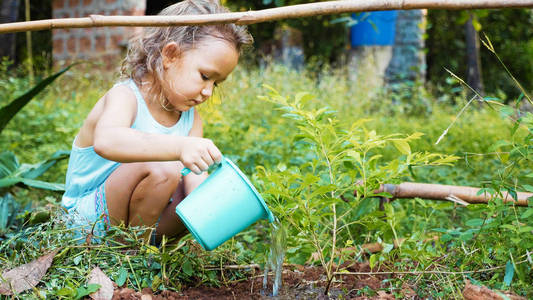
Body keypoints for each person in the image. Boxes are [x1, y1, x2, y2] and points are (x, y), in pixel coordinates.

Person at [61, 0, 253, 245]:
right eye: (205, 76)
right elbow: (106, 141)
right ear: (170, 55)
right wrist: (179, 148)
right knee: (163, 168)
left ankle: (138, 253)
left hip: (139, 226)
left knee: (188, 195)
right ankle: (131, 260)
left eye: (215, 83)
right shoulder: (125, 97)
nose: (207, 91)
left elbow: (195, 182)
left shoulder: (191, 119)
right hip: (85, 224)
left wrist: (214, 207)